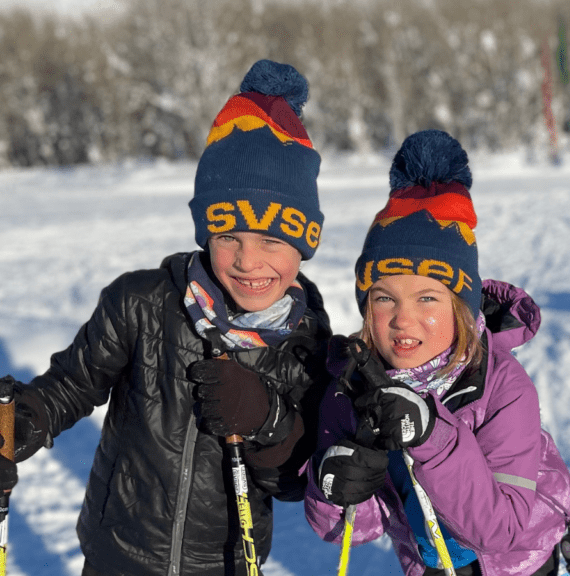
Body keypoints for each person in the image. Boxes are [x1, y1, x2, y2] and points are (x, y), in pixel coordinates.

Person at [3, 59, 332, 576]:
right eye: (229, 238)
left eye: (272, 241)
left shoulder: (305, 337)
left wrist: (265, 416)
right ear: (207, 234)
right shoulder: (142, 302)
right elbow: (71, 385)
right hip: (119, 556)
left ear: (304, 245)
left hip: (225, 562)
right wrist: (28, 417)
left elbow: (295, 479)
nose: (249, 263)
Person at [304, 129, 570, 576]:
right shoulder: (351, 389)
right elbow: (357, 528)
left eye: (427, 298)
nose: (402, 320)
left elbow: (500, 530)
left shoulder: (502, 387)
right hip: (428, 562)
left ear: (461, 308)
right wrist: (335, 486)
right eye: (384, 298)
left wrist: (432, 437)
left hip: (516, 564)